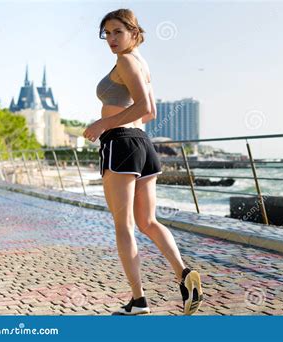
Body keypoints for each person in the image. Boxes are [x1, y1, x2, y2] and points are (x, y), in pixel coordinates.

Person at [83, 8, 203, 315]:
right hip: (143, 145)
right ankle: (184, 274)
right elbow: (150, 114)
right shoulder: (141, 63)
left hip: (121, 144)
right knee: (148, 221)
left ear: (134, 33)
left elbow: (144, 106)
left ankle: (138, 300)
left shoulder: (125, 60)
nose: (110, 38)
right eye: (106, 33)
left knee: (124, 225)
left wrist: (102, 124)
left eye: (117, 32)